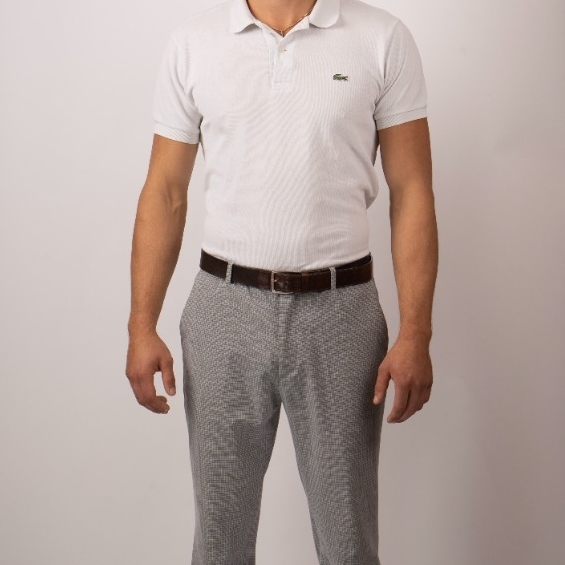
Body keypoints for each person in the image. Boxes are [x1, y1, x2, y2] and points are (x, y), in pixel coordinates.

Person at [126, 0, 438, 563]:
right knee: (219, 539)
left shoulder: (382, 39)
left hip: (342, 311)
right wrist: (140, 325)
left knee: (348, 541)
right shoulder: (194, 43)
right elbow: (165, 191)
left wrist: (417, 332)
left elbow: (412, 191)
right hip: (223, 307)